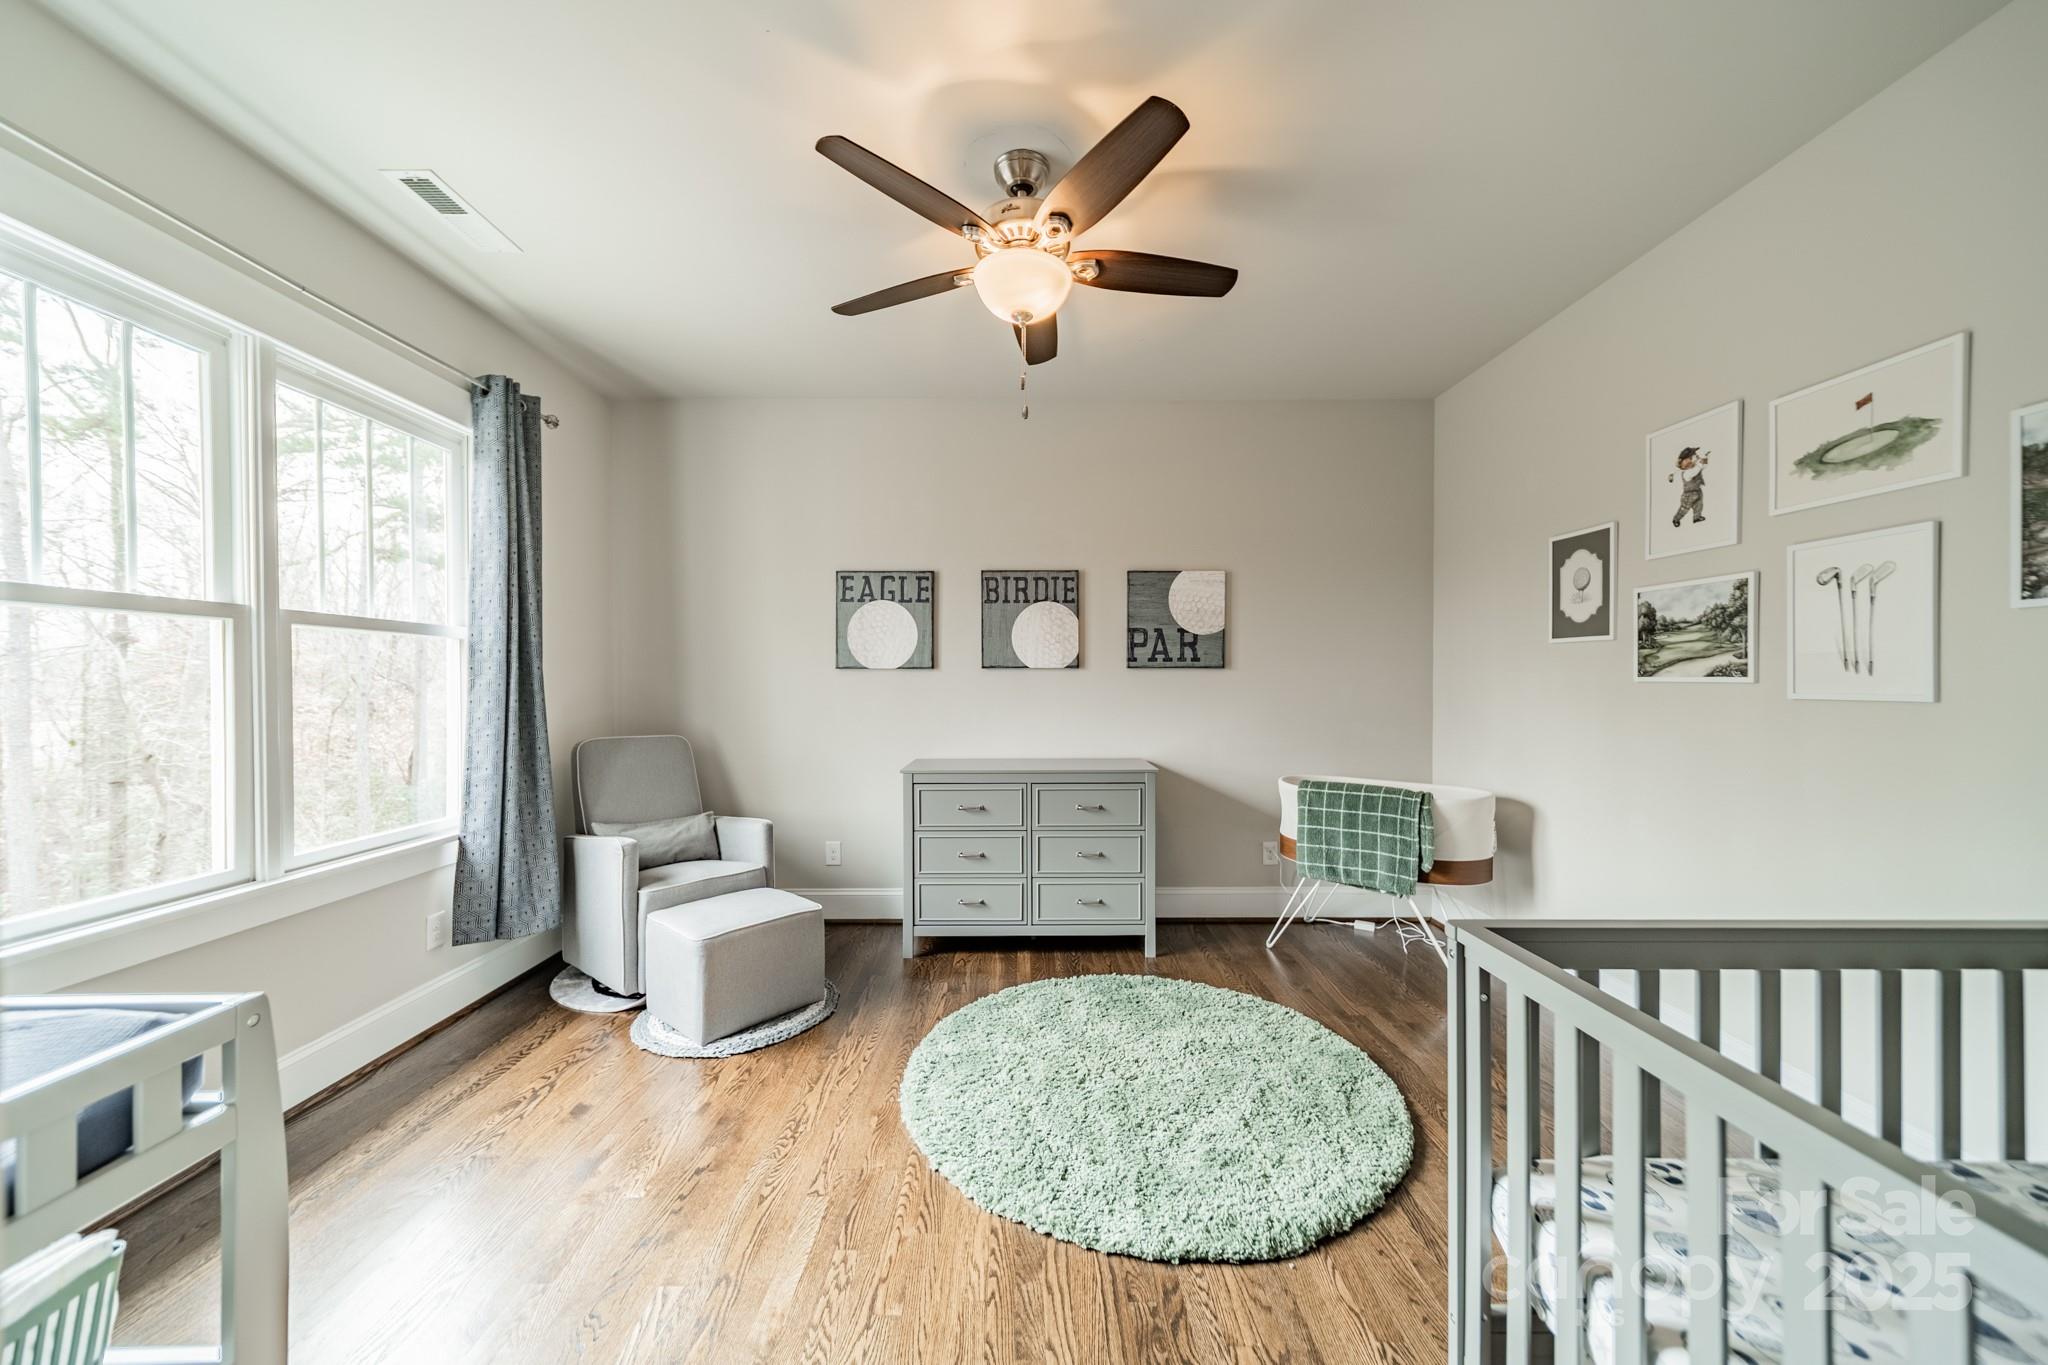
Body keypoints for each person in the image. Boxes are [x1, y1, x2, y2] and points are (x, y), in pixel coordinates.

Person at [1668, 446, 1709, 527]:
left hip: (1698, 491)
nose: (1696, 456)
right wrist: (1700, 462)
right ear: (1686, 460)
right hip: (1688, 495)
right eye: (1694, 456)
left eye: (1696, 455)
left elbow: (1703, 467)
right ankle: (1676, 519)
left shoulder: (1695, 466)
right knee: (1684, 508)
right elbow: (1696, 470)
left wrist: (1705, 459)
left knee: (1699, 505)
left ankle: (1696, 517)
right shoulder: (1687, 472)